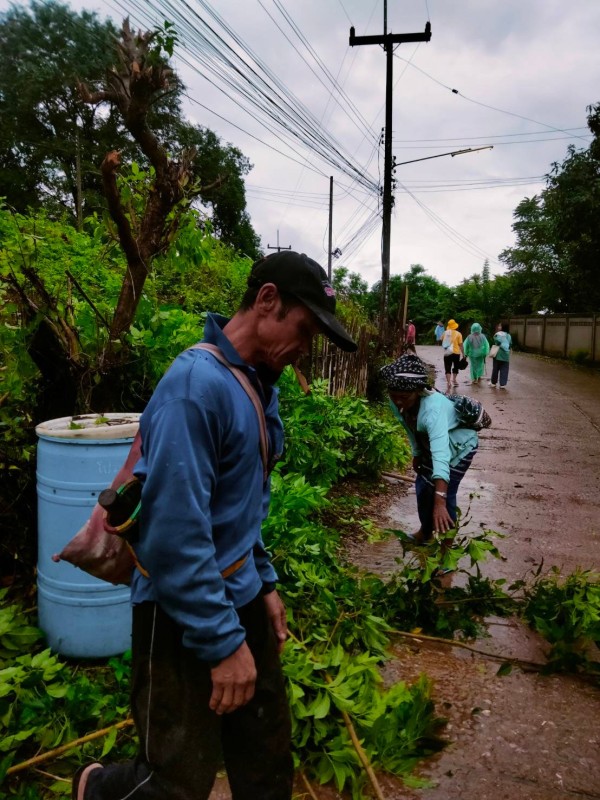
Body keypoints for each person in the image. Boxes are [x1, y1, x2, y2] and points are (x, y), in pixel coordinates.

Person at [72, 252, 357, 800]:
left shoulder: (253, 382)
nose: (306, 347)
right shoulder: (194, 388)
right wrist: (223, 644)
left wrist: (264, 583)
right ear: (267, 300)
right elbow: (173, 537)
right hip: (180, 608)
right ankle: (98, 789)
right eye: (304, 329)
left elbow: (241, 504)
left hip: (238, 591)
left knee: (266, 753)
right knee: (175, 781)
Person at [379, 354, 479, 547]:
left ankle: (447, 551)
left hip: (461, 447)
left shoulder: (432, 409)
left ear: (418, 391)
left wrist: (439, 501)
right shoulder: (397, 402)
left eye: (404, 397)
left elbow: (441, 455)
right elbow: (408, 426)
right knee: (423, 487)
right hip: (430, 444)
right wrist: (417, 454)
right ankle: (425, 533)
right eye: (394, 396)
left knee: (444, 493)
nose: (398, 402)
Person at [441, 319, 464, 392]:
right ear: (455, 326)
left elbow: (442, 341)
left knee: (447, 367)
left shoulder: (445, 333)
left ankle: (448, 382)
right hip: (456, 353)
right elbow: (461, 345)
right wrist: (463, 353)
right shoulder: (458, 334)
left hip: (447, 353)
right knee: (455, 367)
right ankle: (454, 379)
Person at [489, 322, 512, 389]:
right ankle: (503, 384)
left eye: (500, 326)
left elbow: (496, 341)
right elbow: (510, 344)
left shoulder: (497, 334)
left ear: (502, 327)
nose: (498, 327)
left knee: (495, 369)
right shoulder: (509, 335)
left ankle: (493, 383)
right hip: (506, 355)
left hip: (497, 354)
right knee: (504, 369)